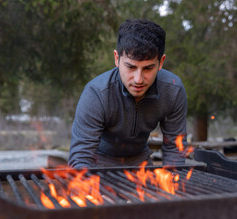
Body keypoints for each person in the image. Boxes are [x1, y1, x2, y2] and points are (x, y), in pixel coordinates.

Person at [68, 18, 187, 169]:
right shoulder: (96, 93)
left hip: (140, 162)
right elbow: (81, 155)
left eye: (148, 68)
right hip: (99, 162)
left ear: (161, 62)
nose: (138, 79)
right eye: (130, 67)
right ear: (117, 58)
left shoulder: (173, 90)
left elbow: (175, 148)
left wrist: (174, 184)